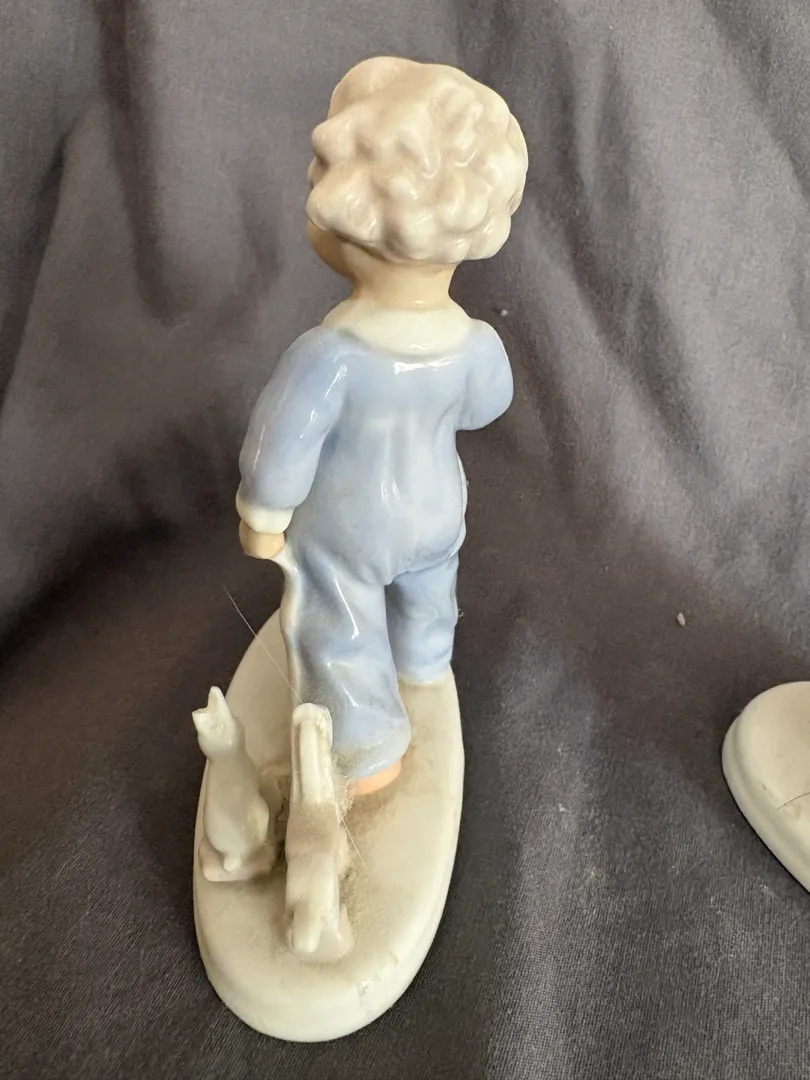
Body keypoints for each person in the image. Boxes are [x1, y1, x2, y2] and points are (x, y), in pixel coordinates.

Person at [236, 56, 527, 792]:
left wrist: (263, 516)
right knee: (429, 589)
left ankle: (365, 747)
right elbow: (487, 405)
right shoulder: (474, 344)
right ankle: (425, 663)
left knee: (337, 619)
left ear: (347, 224)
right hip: (437, 510)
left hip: (350, 529)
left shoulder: (329, 355)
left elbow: (282, 445)